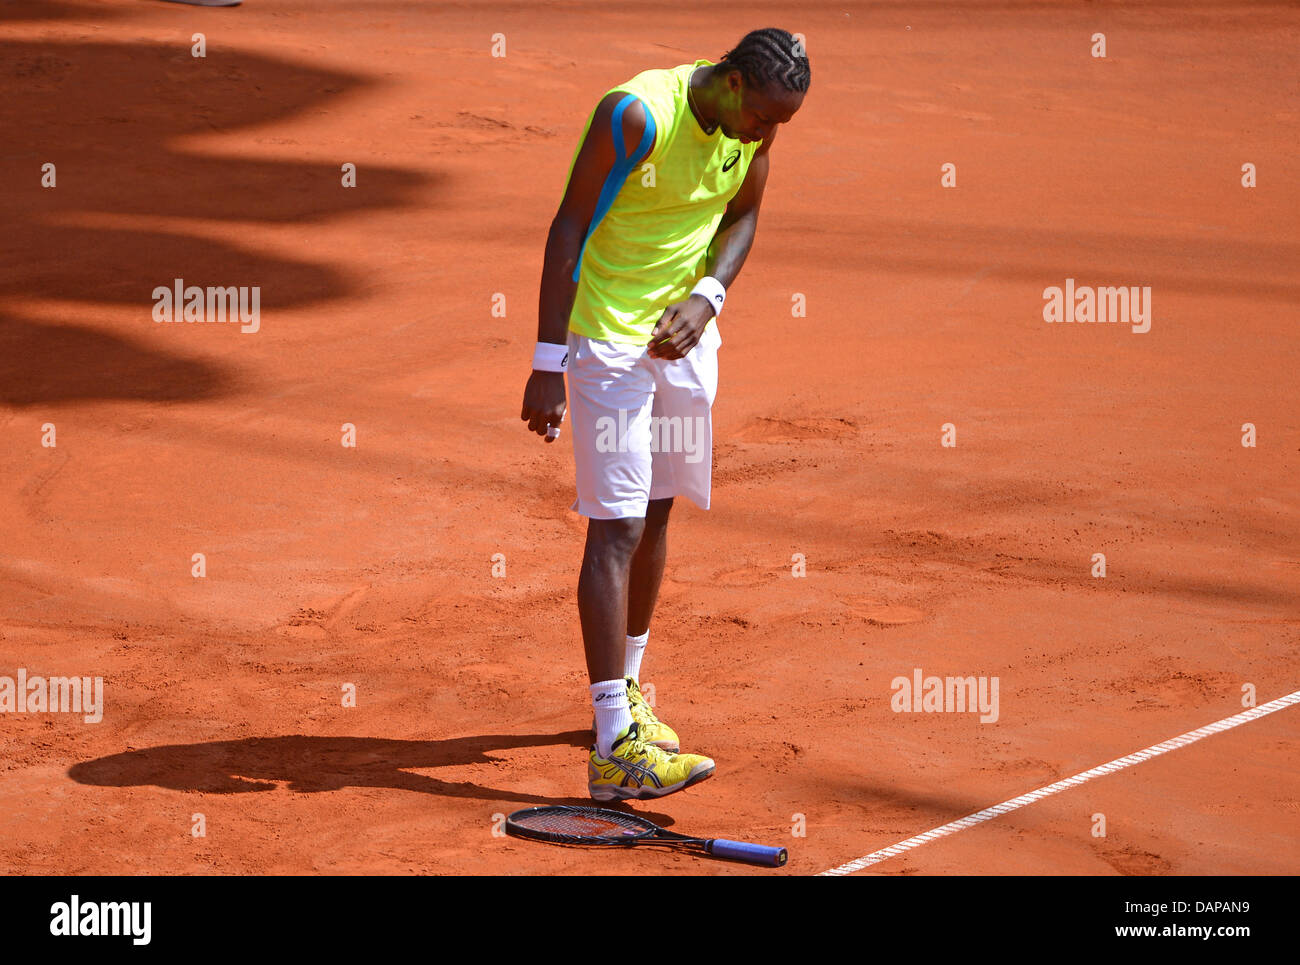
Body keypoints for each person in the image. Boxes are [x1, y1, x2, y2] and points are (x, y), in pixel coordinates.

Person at [520, 28, 810, 801]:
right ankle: (613, 744)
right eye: (765, 119)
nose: (767, 136)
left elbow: (742, 217)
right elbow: (567, 228)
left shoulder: (753, 132)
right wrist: (549, 364)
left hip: (683, 345)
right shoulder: (637, 116)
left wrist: (707, 296)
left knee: (655, 512)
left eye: (781, 125)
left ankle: (630, 697)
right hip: (610, 343)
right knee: (614, 525)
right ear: (734, 84)